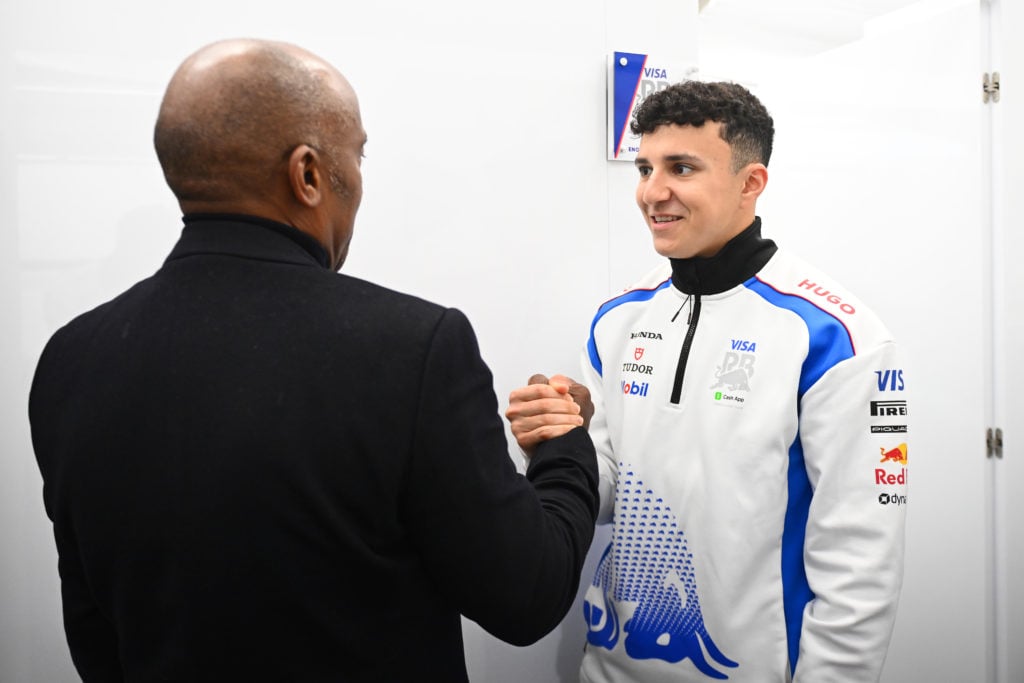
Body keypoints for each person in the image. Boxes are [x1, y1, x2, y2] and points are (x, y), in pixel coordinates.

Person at [28, 38, 600, 682]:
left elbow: (94, 633)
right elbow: (525, 598)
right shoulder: (412, 348)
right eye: (355, 155)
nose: (357, 179)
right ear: (306, 175)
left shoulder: (71, 358)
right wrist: (564, 450)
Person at [508, 81, 908, 682]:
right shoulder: (619, 317)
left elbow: (861, 565)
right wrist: (562, 440)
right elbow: (617, 489)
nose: (651, 191)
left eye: (682, 168)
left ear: (751, 183)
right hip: (610, 669)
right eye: (645, 167)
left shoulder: (837, 337)